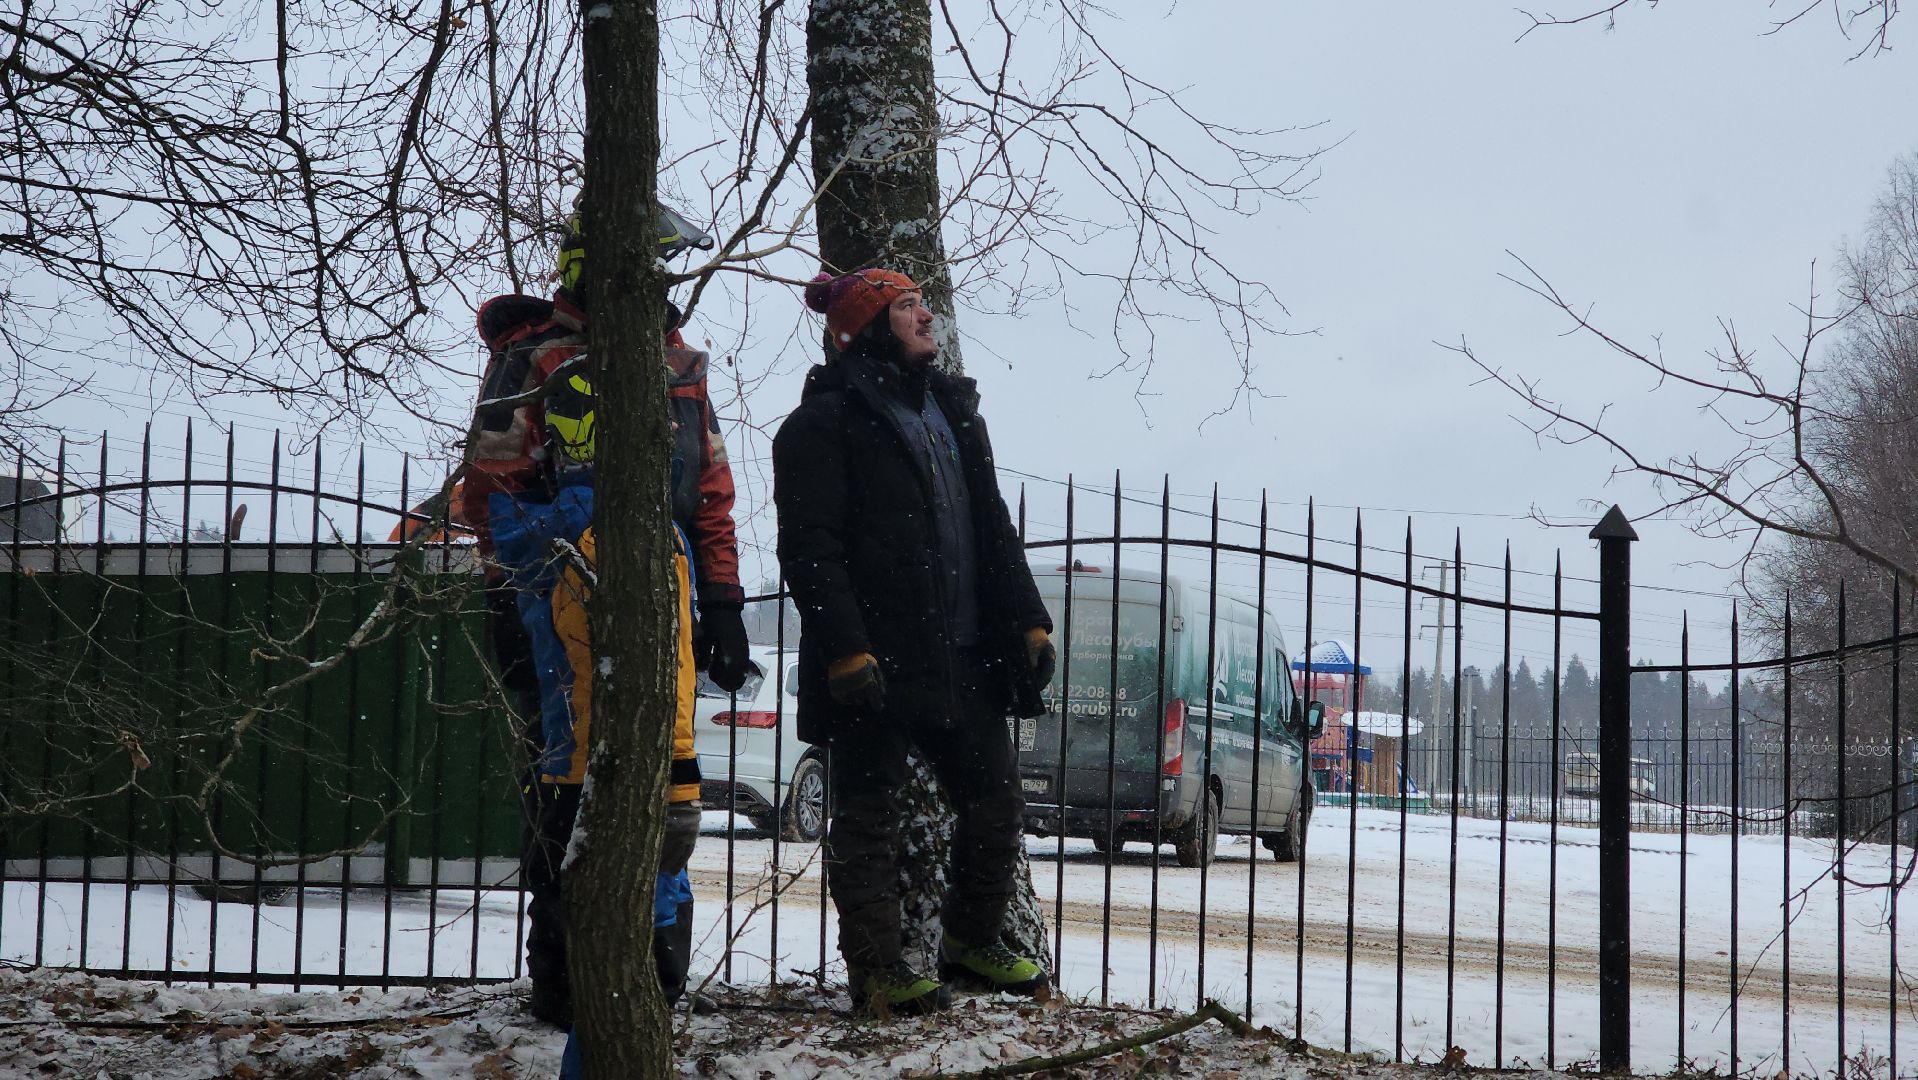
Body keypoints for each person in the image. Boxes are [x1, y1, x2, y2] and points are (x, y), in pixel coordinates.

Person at [460, 204, 750, 1028]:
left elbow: (712, 496)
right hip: (557, 598)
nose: (666, 284)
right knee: (572, 776)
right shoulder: (534, 360)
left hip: (668, 596)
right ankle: (565, 972)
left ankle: (655, 971)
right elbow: (490, 491)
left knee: (667, 776)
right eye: (654, 266)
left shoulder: (679, 367)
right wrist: (511, 591)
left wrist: (722, 601)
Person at [772, 267, 1057, 1015]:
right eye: (907, 307)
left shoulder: (955, 414)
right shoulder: (821, 423)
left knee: (995, 805)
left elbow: (992, 527)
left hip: (966, 653)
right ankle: (878, 973)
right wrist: (844, 649)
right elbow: (810, 549)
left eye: (922, 303)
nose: (927, 315)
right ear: (867, 327)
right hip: (873, 660)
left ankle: (970, 940)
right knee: (869, 815)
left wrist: (1029, 620)